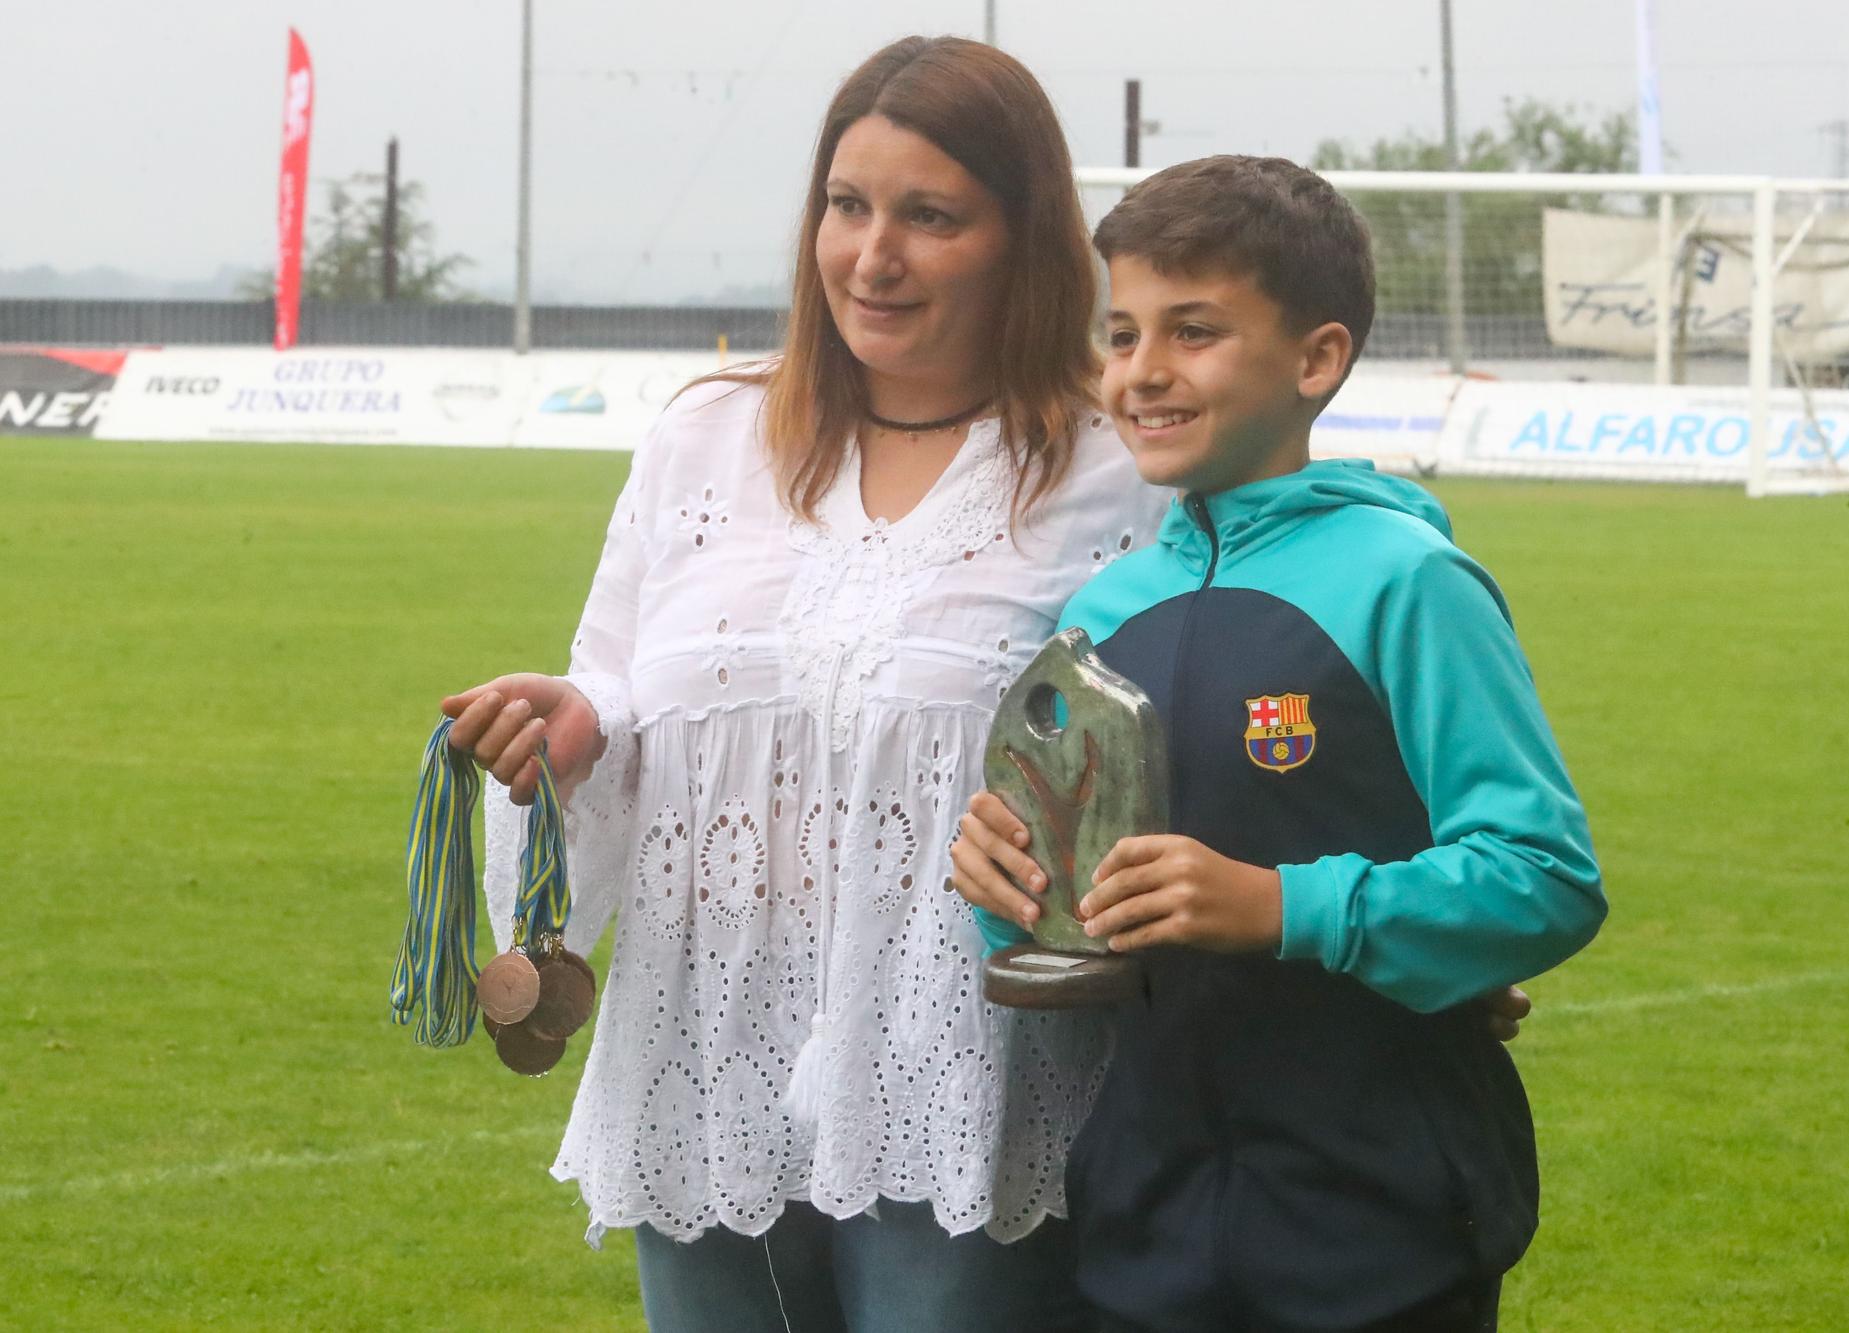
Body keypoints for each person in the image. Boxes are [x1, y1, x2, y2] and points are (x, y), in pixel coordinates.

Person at [443, 36, 1529, 1332]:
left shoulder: (1122, 467)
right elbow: (621, 688)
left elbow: (1270, 689)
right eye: (847, 206)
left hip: (975, 1077)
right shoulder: (702, 440)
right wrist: (583, 729)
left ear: (1025, 242)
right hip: (708, 1053)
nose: (872, 252)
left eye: (930, 216)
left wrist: (1410, 943)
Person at [949, 156, 1606, 1332]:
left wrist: (1280, 906)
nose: (1142, 370)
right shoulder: (1099, 613)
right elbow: (1066, 910)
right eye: (1123, 332)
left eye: (1192, 331)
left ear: (1315, 359)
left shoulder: (1405, 583)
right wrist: (1005, 887)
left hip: (1377, 1214)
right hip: (1143, 1216)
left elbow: (1543, 879)